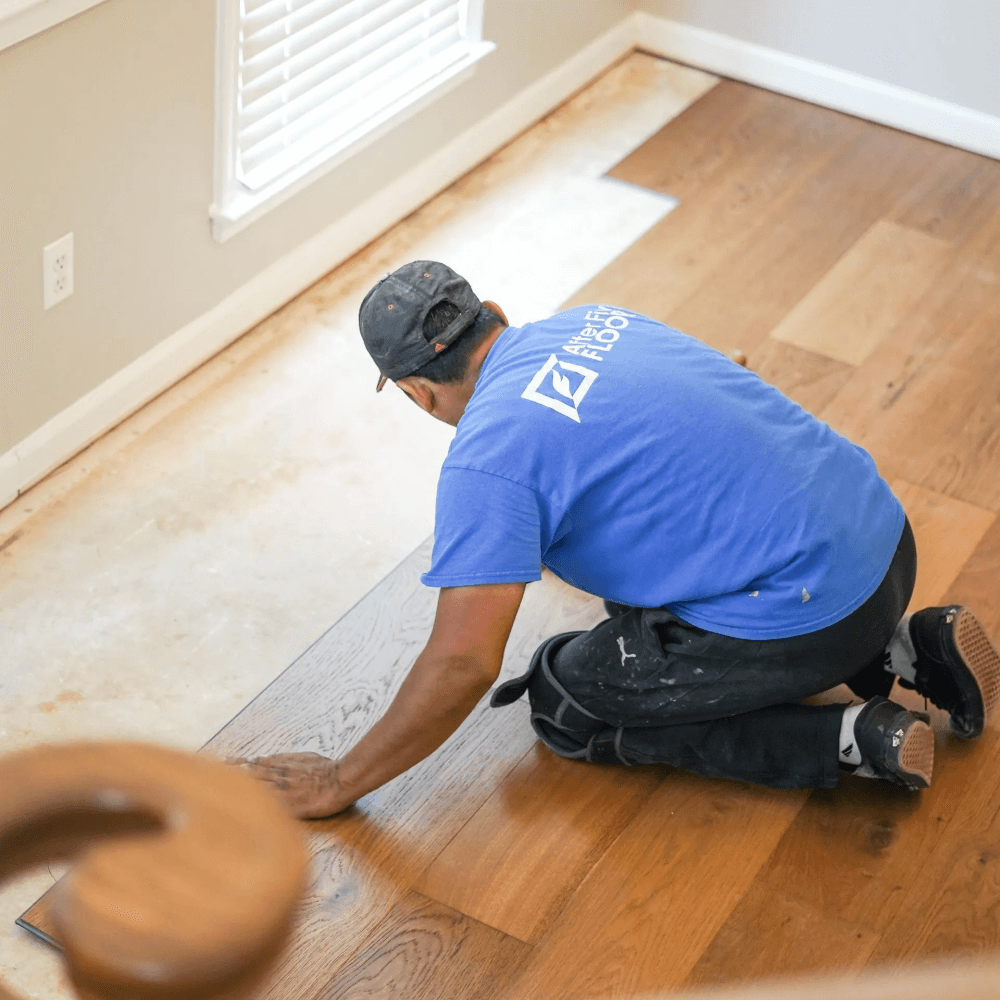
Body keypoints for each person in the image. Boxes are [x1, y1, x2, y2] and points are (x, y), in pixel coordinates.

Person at [241, 260, 1000, 818]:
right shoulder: (597, 320)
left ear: (411, 390)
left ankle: (846, 737)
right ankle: (906, 650)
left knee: (568, 695)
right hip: (885, 540)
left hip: (812, 611)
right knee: (628, 598)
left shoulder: (488, 460)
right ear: (494, 313)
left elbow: (464, 661)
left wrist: (341, 781)